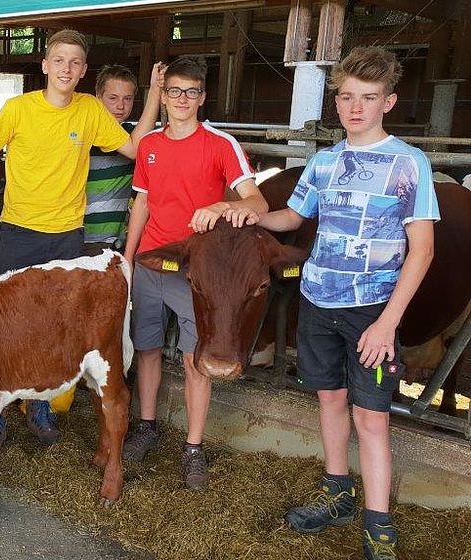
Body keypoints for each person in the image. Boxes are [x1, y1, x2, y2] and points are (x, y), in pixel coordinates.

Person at [230, 46, 437, 560]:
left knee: (372, 417)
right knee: (329, 400)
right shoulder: (325, 161)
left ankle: (378, 525)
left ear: (388, 102)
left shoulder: (409, 164)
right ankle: (337, 492)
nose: (355, 108)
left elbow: (423, 249)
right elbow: (293, 219)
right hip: (319, 299)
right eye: (346, 97)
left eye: (367, 98)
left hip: (373, 311)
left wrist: (388, 323)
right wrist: (248, 215)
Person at [0, 28, 163, 474]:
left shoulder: (90, 111)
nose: (67, 68)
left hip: (66, 237)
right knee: (6, 325)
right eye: (60, 60)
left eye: (75, 62)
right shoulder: (17, 109)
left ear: (83, 71)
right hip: (18, 231)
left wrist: (155, 98)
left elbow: (134, 146)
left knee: (53, 327)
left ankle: (38, 406)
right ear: (46, 65)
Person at [120, 56, 267, 490]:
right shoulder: (149, 145)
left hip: (199, 272)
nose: (181, 99)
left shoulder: (220, 144)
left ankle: (194, 446)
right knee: (146, 348)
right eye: (173, 91)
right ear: (162, 96)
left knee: (193, 355)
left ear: (202, 97)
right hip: (151, 260)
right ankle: (147, 426)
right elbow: (142, 204)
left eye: (191, 92)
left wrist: (223, 206)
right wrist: (129, 258)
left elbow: (256, 204)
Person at [83, 63, 164, 255]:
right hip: (77, 235)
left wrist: (155, 90)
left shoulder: (130, 136)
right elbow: (135, 147)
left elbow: (138, 143)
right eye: (112, 98)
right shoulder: (84, 134)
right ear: (98, 98)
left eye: (127, 99)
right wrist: (153, 91)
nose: (120, 106)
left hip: (115, 242)